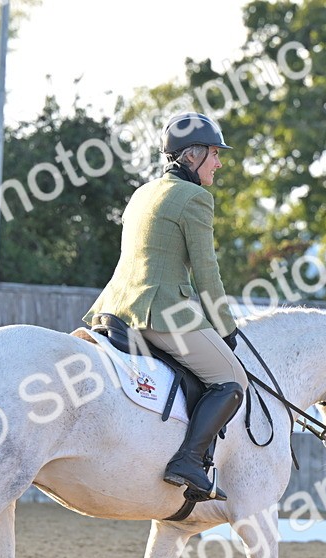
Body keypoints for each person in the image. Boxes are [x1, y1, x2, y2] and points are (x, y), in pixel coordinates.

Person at [84, 112, 248, 500]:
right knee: (232, 379)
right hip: (160, 312)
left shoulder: (143, 192)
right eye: (214, 154)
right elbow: (207, 276)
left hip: (112, 308)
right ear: (191, 157)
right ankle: (188, 460)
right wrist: (226, 330)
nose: (219, 163)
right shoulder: (195, 198)